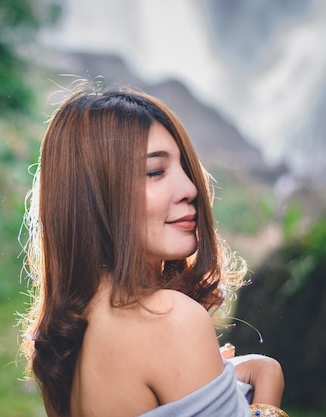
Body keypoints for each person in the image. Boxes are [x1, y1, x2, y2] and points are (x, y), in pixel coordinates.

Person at [19, 82, 287, 417]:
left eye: (185, 169)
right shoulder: (167, 317)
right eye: (155, 171)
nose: (189, 189)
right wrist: (267, 392)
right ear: (96, 196)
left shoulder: (69, 335)